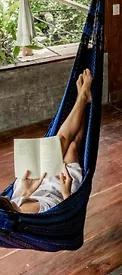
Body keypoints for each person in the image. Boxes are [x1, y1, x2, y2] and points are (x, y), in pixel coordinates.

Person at [0, 69, 93, 214]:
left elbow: (13, 207)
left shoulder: (10, 209)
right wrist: (66, 194)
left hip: (29, 190)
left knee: (61, 142)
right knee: (72, 147)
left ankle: (82, 99)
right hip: (58, 191)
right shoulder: (24, 215)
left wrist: (25, 192)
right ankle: (83, 99)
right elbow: (65, 217)